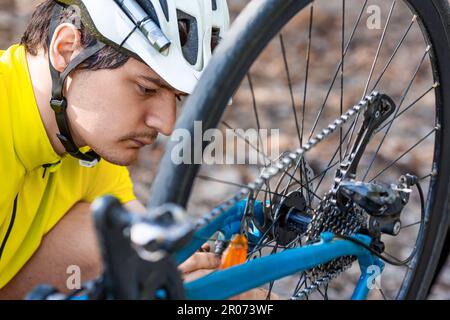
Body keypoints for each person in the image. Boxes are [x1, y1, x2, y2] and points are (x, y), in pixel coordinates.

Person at [0, 0, 233, 299]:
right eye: (146, 89)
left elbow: (144, 239)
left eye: (176, 97)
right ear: (67, 49)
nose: (167, 125)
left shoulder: (85, 141)